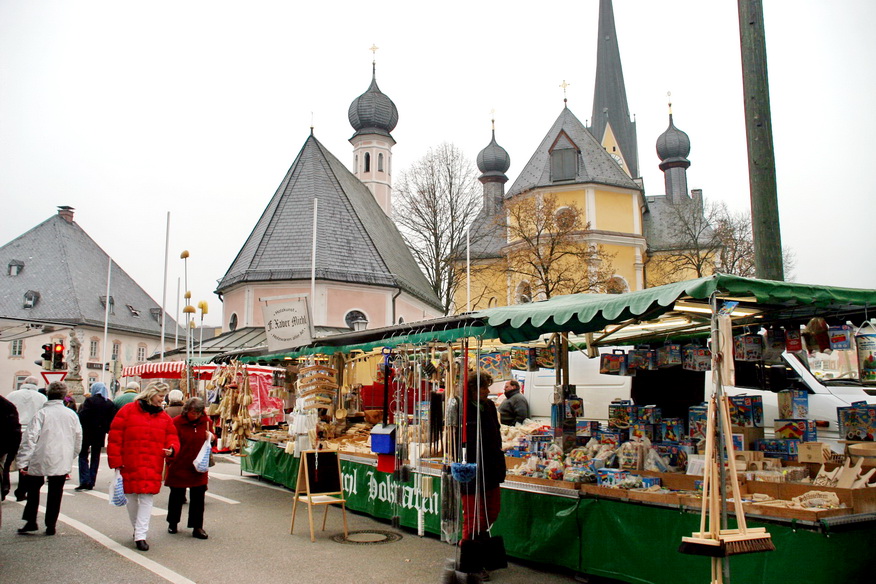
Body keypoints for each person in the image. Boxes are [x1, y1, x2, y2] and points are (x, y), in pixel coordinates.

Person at [107, 382, 179, 552]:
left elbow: (172, 437)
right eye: (161, 396)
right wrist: (116, 461)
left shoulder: (164, 417)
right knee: (131, 498)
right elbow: (115, 437)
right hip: (129, 461)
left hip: (152, 462)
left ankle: (140, 534)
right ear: (151, 394)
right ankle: (137, 530)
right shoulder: (127, 411)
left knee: (146, 499)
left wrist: (172, 449)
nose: (163, 400)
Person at [16, 381, 83, 536]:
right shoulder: (71, 415)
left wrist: (24, 461)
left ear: (48, 394)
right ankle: (51, 524)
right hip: (61, 457)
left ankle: (31, 520)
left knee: (33, 489)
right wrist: (70, 456)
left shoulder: (41, 414)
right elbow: (78, 438)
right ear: (64, 396)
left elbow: (30, 438)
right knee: (56, 491)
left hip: (40, 456)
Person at [460, 371, 506, 579]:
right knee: (473, 518)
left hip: (491, 468)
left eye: (487, 386)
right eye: (483, 387)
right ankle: (471, 562)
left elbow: (495, 435)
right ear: (471, 389)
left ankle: (479, 552)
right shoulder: (461, 408)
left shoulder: (488, 406)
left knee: (492, 511)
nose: (488, 391)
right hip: (470, 470)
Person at [165, 397, 212, 539]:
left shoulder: (206, 422)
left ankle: (197, 526)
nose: (196, 416)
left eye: (198, 413)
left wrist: (212, 437)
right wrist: (171, 453)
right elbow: (170, 440)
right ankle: (173, 522)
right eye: (193, 413)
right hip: (180, 463)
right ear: (186, 411)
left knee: (198, 497)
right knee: (176, 496)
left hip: (198, 465)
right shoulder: (177, 422)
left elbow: (211, 443)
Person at [7, 376, 47, 501]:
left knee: (7, 461)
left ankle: (4, 486)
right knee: (27, 461)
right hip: (32, 431)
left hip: (14, 430)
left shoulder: (12, 395)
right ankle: (22, 490)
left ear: (24, 383)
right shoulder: (41, 398)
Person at [76, 382, 118, 491]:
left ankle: (84, 480)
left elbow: (83, 416)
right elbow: (112, 421)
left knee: (83, 455)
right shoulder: (109, 403)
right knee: (95, 456)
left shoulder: (89, 401)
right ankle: (92, 480)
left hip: (87, 431)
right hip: (100, 433)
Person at [0, 394, 21, 501]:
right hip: (3, 445)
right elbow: (15, 429)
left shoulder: (8, 402)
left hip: (3, 445)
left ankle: (4, 487)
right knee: (3, 466)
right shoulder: (7, 404)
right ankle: (4, 487)